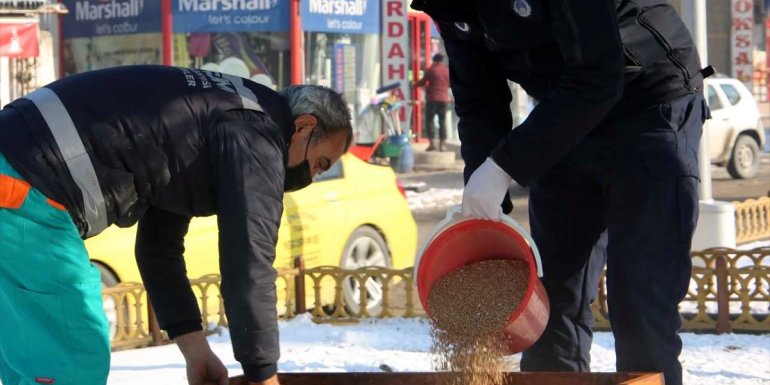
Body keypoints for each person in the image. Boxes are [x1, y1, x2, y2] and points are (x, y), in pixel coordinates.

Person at [410, 1, 712, 385]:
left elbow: (598, 75)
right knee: (549, 304)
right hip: (563, 114)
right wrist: (485, 204)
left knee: (640, 302)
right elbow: (479, 100)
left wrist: (506, 165)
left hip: (649, 103)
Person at [0, 65, 352, 385]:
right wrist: (263, 375)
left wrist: (195, 350)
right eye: (320, 163)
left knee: (29, 360)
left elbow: (159, 249)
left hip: (15, 171)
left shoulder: (219, 115)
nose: (313, 176)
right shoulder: (257, 135)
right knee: (75, 357)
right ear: (304, 126)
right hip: (24, 187)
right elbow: (249, 261)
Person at [412, 53, 451, 152]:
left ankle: (432, 144)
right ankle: (442, 145)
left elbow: (423, 82)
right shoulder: (447, 70)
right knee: (442, 122)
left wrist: (414, 84)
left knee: (430, 121)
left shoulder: (431, 70)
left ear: (434, 60)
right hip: (444, 99)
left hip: (432, 99)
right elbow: (450, 84)